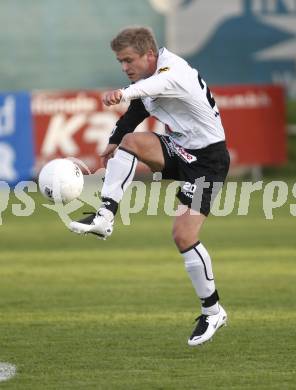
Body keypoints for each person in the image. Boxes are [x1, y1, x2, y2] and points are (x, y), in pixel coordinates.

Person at [69, 26, 230, 346]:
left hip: (208, 161)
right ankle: (105, 217)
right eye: (120, 62)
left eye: (129, 60)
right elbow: (140, 108)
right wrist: (114, 141)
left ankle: (213, 312)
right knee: (130, 142)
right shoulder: (147, 79)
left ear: (150, 55)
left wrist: (121, 92)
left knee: (183, 236)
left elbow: (155, 86)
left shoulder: (175, 71)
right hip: (180, 148)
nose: (125, 67)